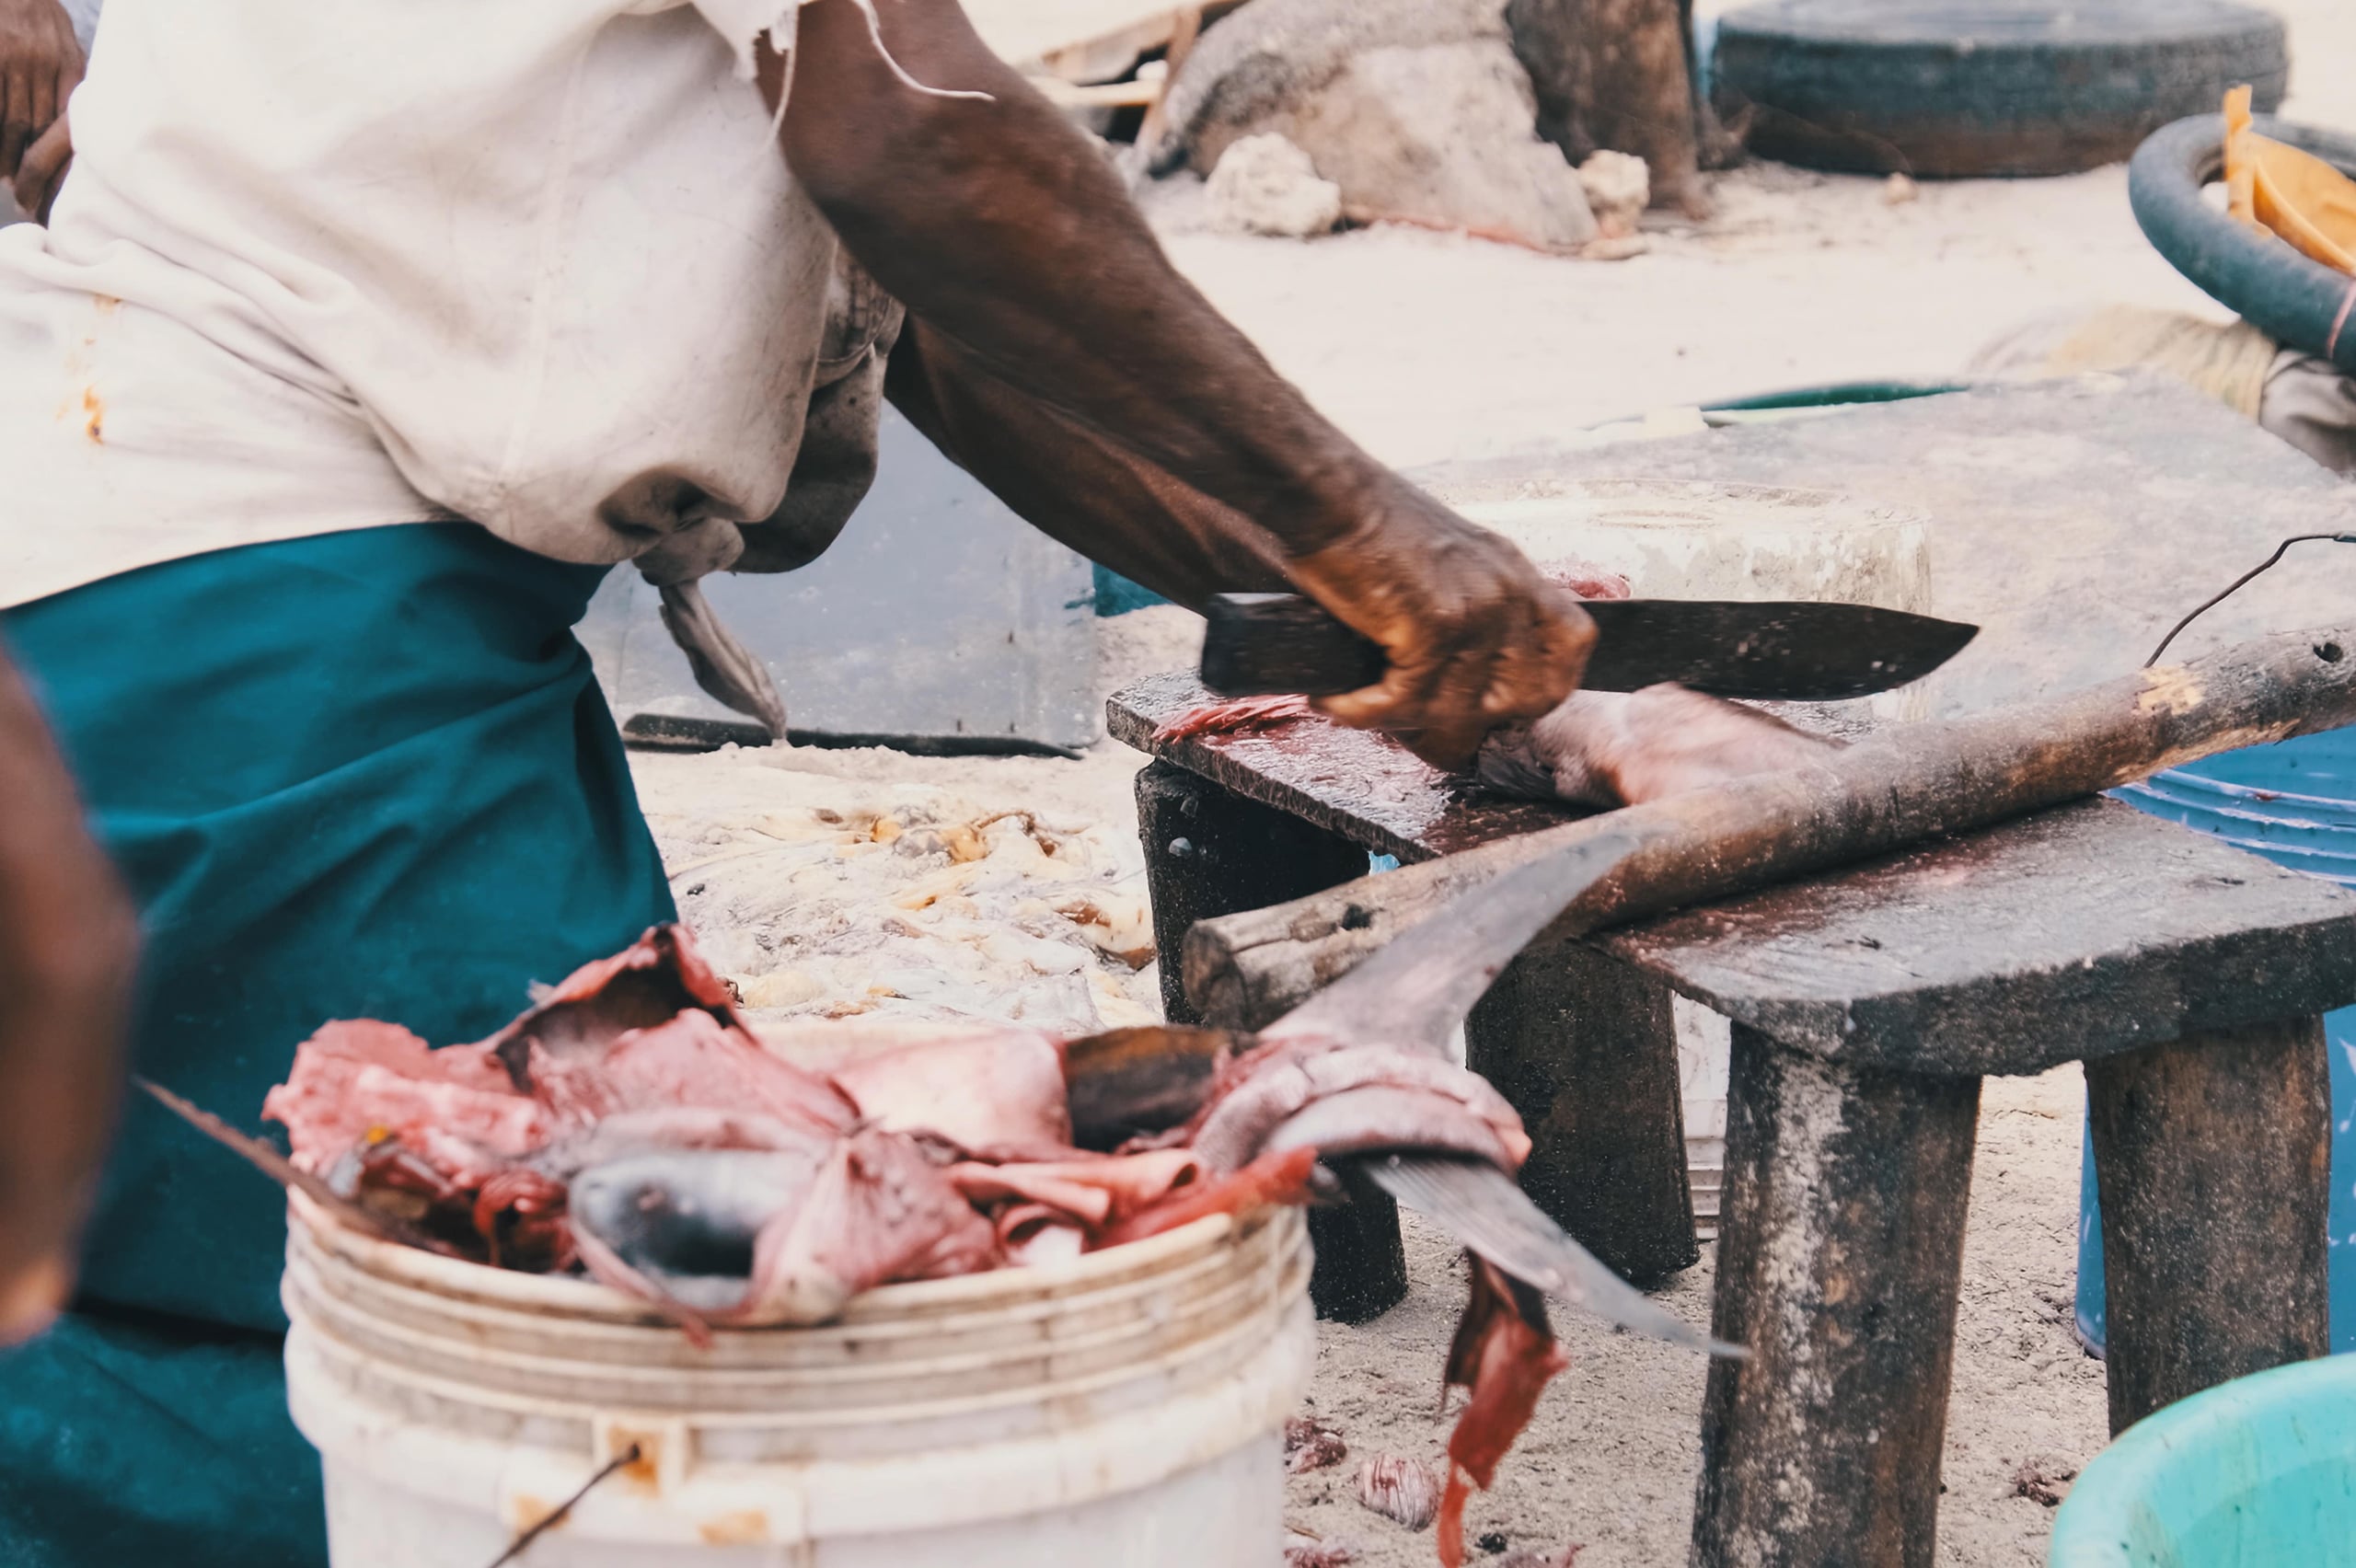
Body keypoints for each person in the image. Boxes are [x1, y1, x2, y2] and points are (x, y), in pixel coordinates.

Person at [0, 1, 1597, 1562]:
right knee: (547, 1388)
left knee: (138, 1322)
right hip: (265, 653)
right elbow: (909, 129)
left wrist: (1349, 595)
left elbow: (953, 335)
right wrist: (1367, 522)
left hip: (136, 574)